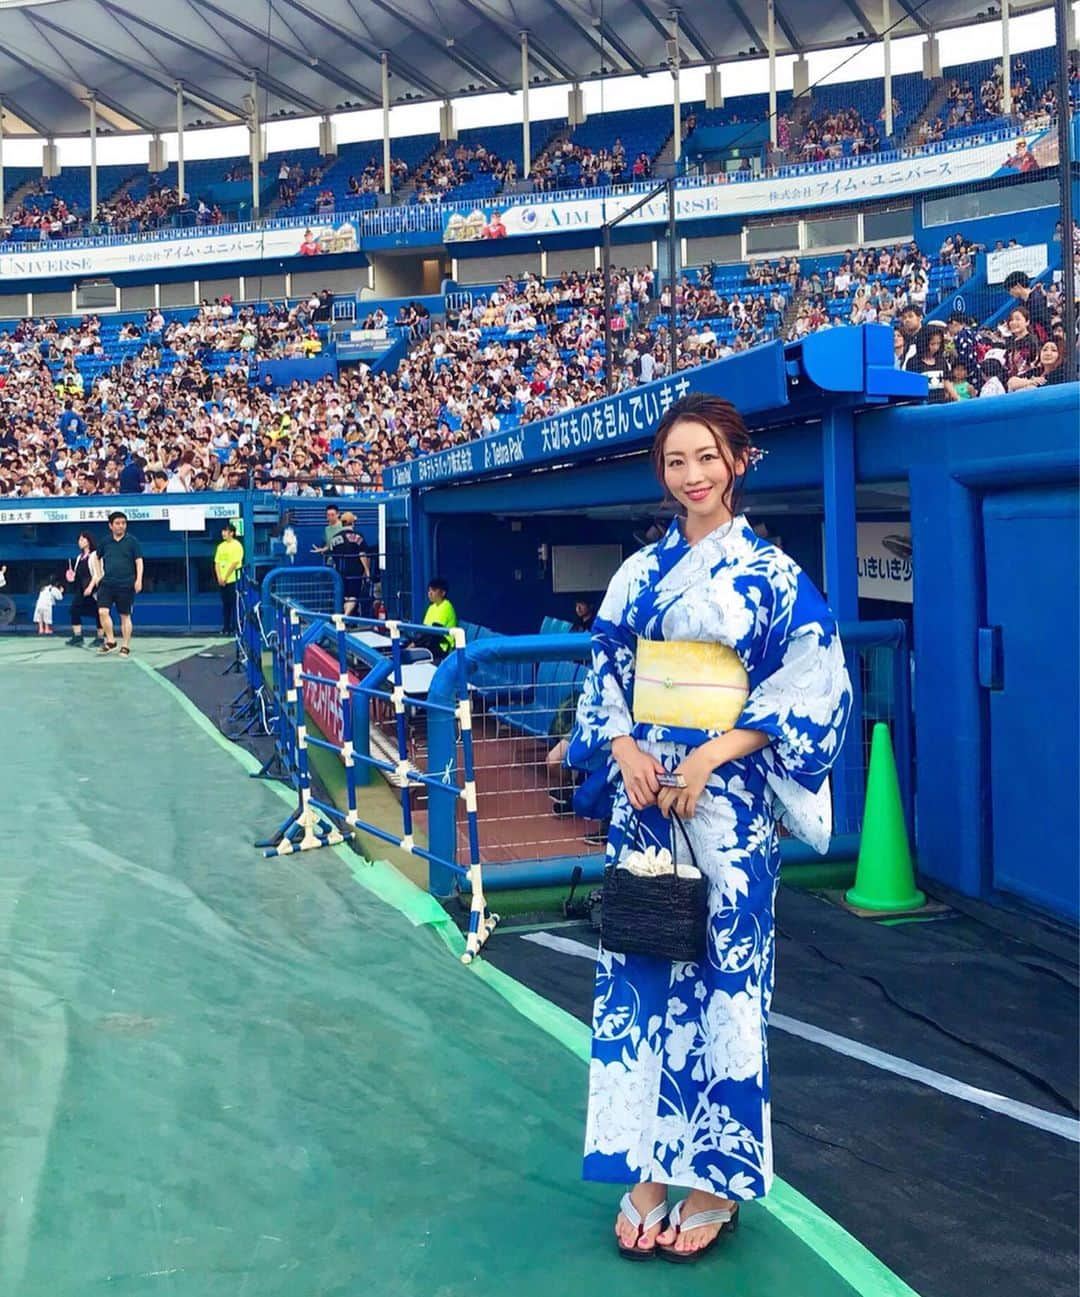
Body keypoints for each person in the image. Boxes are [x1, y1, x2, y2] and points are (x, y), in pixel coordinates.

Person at [566, 393, 851, 1263]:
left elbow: (812, 678)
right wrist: (623, 748)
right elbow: (607, 669)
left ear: (737, 461)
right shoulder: (637, 574)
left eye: (706, 458)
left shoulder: (771, 574)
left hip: (724, 808)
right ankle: (643, 1166)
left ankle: (716, 1179)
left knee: (727, 981)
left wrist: (709, 757)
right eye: (675, 462)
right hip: (644, 801)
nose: (690, 476)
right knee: (640, 970)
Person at [88, 511, 144, 657]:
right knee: (102, 612)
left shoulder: (132, 541)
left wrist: (138, 580)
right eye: (118, 523)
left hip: (126, 583)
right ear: (110, 526)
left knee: (124, 616)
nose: (121, 526)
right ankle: (111, 640)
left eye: (123, 523)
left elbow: (139, 561)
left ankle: (125, 646)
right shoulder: (105, 542)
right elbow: (95, 557)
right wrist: (99, 575)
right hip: (107, 583)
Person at [328, 511, 371, 616]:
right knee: (353, 596)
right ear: (352, 523)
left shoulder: (334, 538)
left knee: (345, 596)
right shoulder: (357, 536)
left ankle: (344, 617)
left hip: (339, 572)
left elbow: (331, 557)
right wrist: (367, 571)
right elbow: (362, 555)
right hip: (355, 571)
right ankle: (345, 617)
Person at [66, 530, 103, 646]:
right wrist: (71, 577)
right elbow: (78, 576)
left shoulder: (95, 555)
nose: (80, 542)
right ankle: (78, 636)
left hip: (94, 589)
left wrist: (90, 587)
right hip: (81, 589)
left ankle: (100, 637)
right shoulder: (79, 557)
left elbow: (97, 574)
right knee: (74, 609)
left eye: (82, 539)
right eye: (79, 539)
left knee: (99, 612)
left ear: (89, 541)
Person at [213, 522, 244, 635]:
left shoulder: (237, 546)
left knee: (234, 604)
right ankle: (226, 628)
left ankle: (237, 627)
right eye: (223, 531)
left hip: (233, 580)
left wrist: (225, 577)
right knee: (225, 604)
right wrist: (219, 578)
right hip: (222, 581)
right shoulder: (220, 546)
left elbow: (235, 563)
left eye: (225, 531)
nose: (223, 533)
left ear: (232, 533)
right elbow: (216, 563)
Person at [421, 576, 458, 662]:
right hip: (429, 644)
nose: (430, 593)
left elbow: (434, 634)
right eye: (429, 590)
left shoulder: (446, 606)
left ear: (443, 593)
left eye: (433, 590)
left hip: (442, 647)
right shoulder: (431, 607)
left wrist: (414, 644)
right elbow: (424, 629)